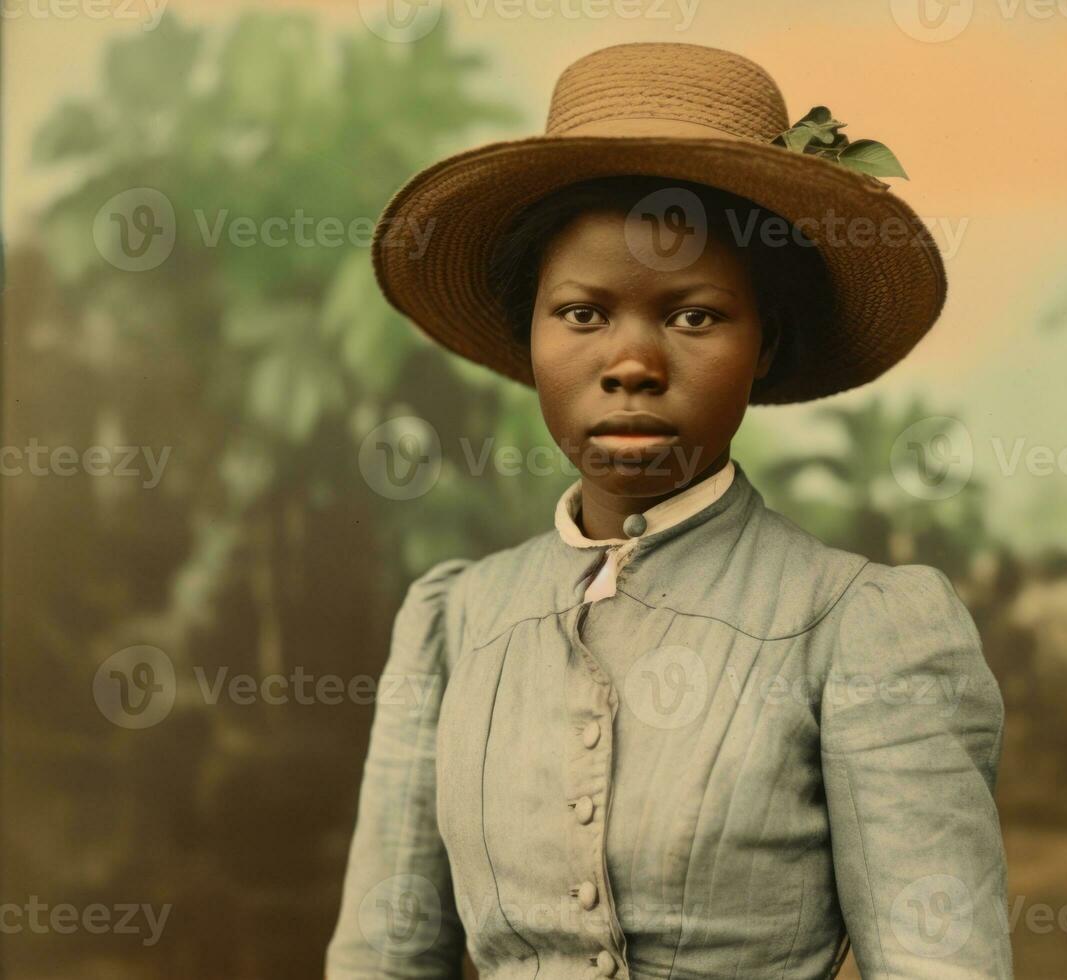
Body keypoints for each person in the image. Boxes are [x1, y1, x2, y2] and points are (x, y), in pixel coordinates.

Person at [326, 41, 1011, 980]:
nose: (633, 362)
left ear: (762, 346)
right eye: (581, 313)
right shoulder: (453, 624)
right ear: (528, 334)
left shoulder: (859, 627)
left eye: (694, 316)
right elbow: (382, 957)